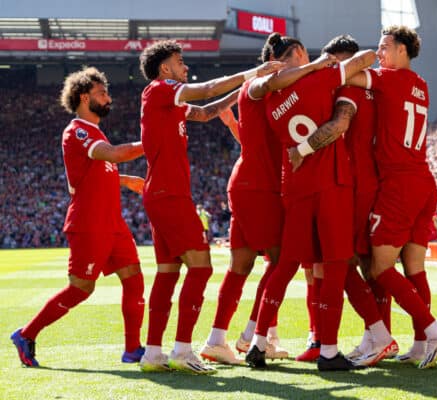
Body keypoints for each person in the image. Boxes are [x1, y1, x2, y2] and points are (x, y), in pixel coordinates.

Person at [137, 40, 281, 374]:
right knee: (201, 269)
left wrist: (242, 89)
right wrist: (254, 72)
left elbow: (205, 111)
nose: (184, 67)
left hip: (161, 193)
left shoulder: (169, 103)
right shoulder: (160, 89)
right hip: (170, 194)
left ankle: (153, 353)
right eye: (179, 61)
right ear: (165, 68)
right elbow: (205, 90)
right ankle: (183, 350)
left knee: (168, 272)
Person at [198, 36, 338, 365]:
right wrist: (317, 67)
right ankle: (253, 336)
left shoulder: (267, 92)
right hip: (261, 188)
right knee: (280, 262)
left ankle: (219, 338)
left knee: (241, 267)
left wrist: (231, 122)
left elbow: (253, 139)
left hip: (247, 183)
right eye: (299, 58)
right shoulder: (266, 87)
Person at [244, 33, 377, 371]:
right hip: (331, 182)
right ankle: (328, 351)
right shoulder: (320, 78)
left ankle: (258, 341)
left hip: (295, 185)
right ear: (300, 52)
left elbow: (259, 87)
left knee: (286, 263)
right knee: (334, 264)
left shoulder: (270, 98)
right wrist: (330, 62)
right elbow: (368, 56)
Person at [11, 67, 146, 367]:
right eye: (102, 93)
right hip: (89, 223)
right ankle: (26, 334)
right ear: (84, 97)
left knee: (134, 279)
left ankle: (133, 349)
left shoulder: (96, 132)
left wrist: (124, 180)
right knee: (81, 289)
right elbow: (111, 154)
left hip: (112, 223)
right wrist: (153, 143)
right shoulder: (79, 131)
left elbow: (98, 169)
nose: (108, 98)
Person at [344, 25, 437, 369]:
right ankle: (422, 343)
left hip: (399, 185)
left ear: (403, 50)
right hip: (423, 180)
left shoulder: (389, 79)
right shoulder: (421, 85)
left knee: (378, 266)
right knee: (415, 267)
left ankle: (433, 330)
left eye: (385, 47)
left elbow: (349, 77)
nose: (379, 53)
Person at [291, 35, 398, 367]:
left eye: (336, 62)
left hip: (351, 184)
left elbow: (339, 126)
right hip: (363, 181)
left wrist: (302, 149)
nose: (332, 68)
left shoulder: (348, 91)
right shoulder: (372, 89)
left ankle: (380, 335)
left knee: (342, 260)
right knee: (357, 263)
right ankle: (374, 336)